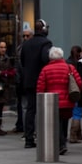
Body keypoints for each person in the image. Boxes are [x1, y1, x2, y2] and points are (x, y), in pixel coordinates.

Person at [36, 46, 82, 155]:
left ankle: (59, 143)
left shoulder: (45, 69)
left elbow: (40, 87)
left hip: (50, 101)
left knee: (54, 123)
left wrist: (40, 98)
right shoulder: (69, 68)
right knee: (64, 121)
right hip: (67, 101)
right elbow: (79, 82)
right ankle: (62, 143)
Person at [20, 19, 52, 148]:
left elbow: (22, 61)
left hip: (28, 80)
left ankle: (29, 138)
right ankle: (43, 136)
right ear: (44, 29)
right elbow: (46, 59)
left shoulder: (27, 44)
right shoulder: (46, 43)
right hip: (41, 80)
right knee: (44, 109)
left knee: (30, 110)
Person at [10, 28, 32, 133]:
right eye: (23, 36)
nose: (25, 38)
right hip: (21, 81)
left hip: (30, 80)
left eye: (27, 36)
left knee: (28, 106)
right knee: (22, 105)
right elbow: (17, 65)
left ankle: (28, 128)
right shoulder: (20, 48)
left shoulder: (33, 47)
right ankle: (23, 126)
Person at [66, 45, 82, 143]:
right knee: (77, 113)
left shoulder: (67, 63)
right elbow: (80, 80)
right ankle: (73, 135)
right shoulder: (80, 64)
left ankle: (78, 134)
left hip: (69, 90)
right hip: (77, 91)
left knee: (76, 112)